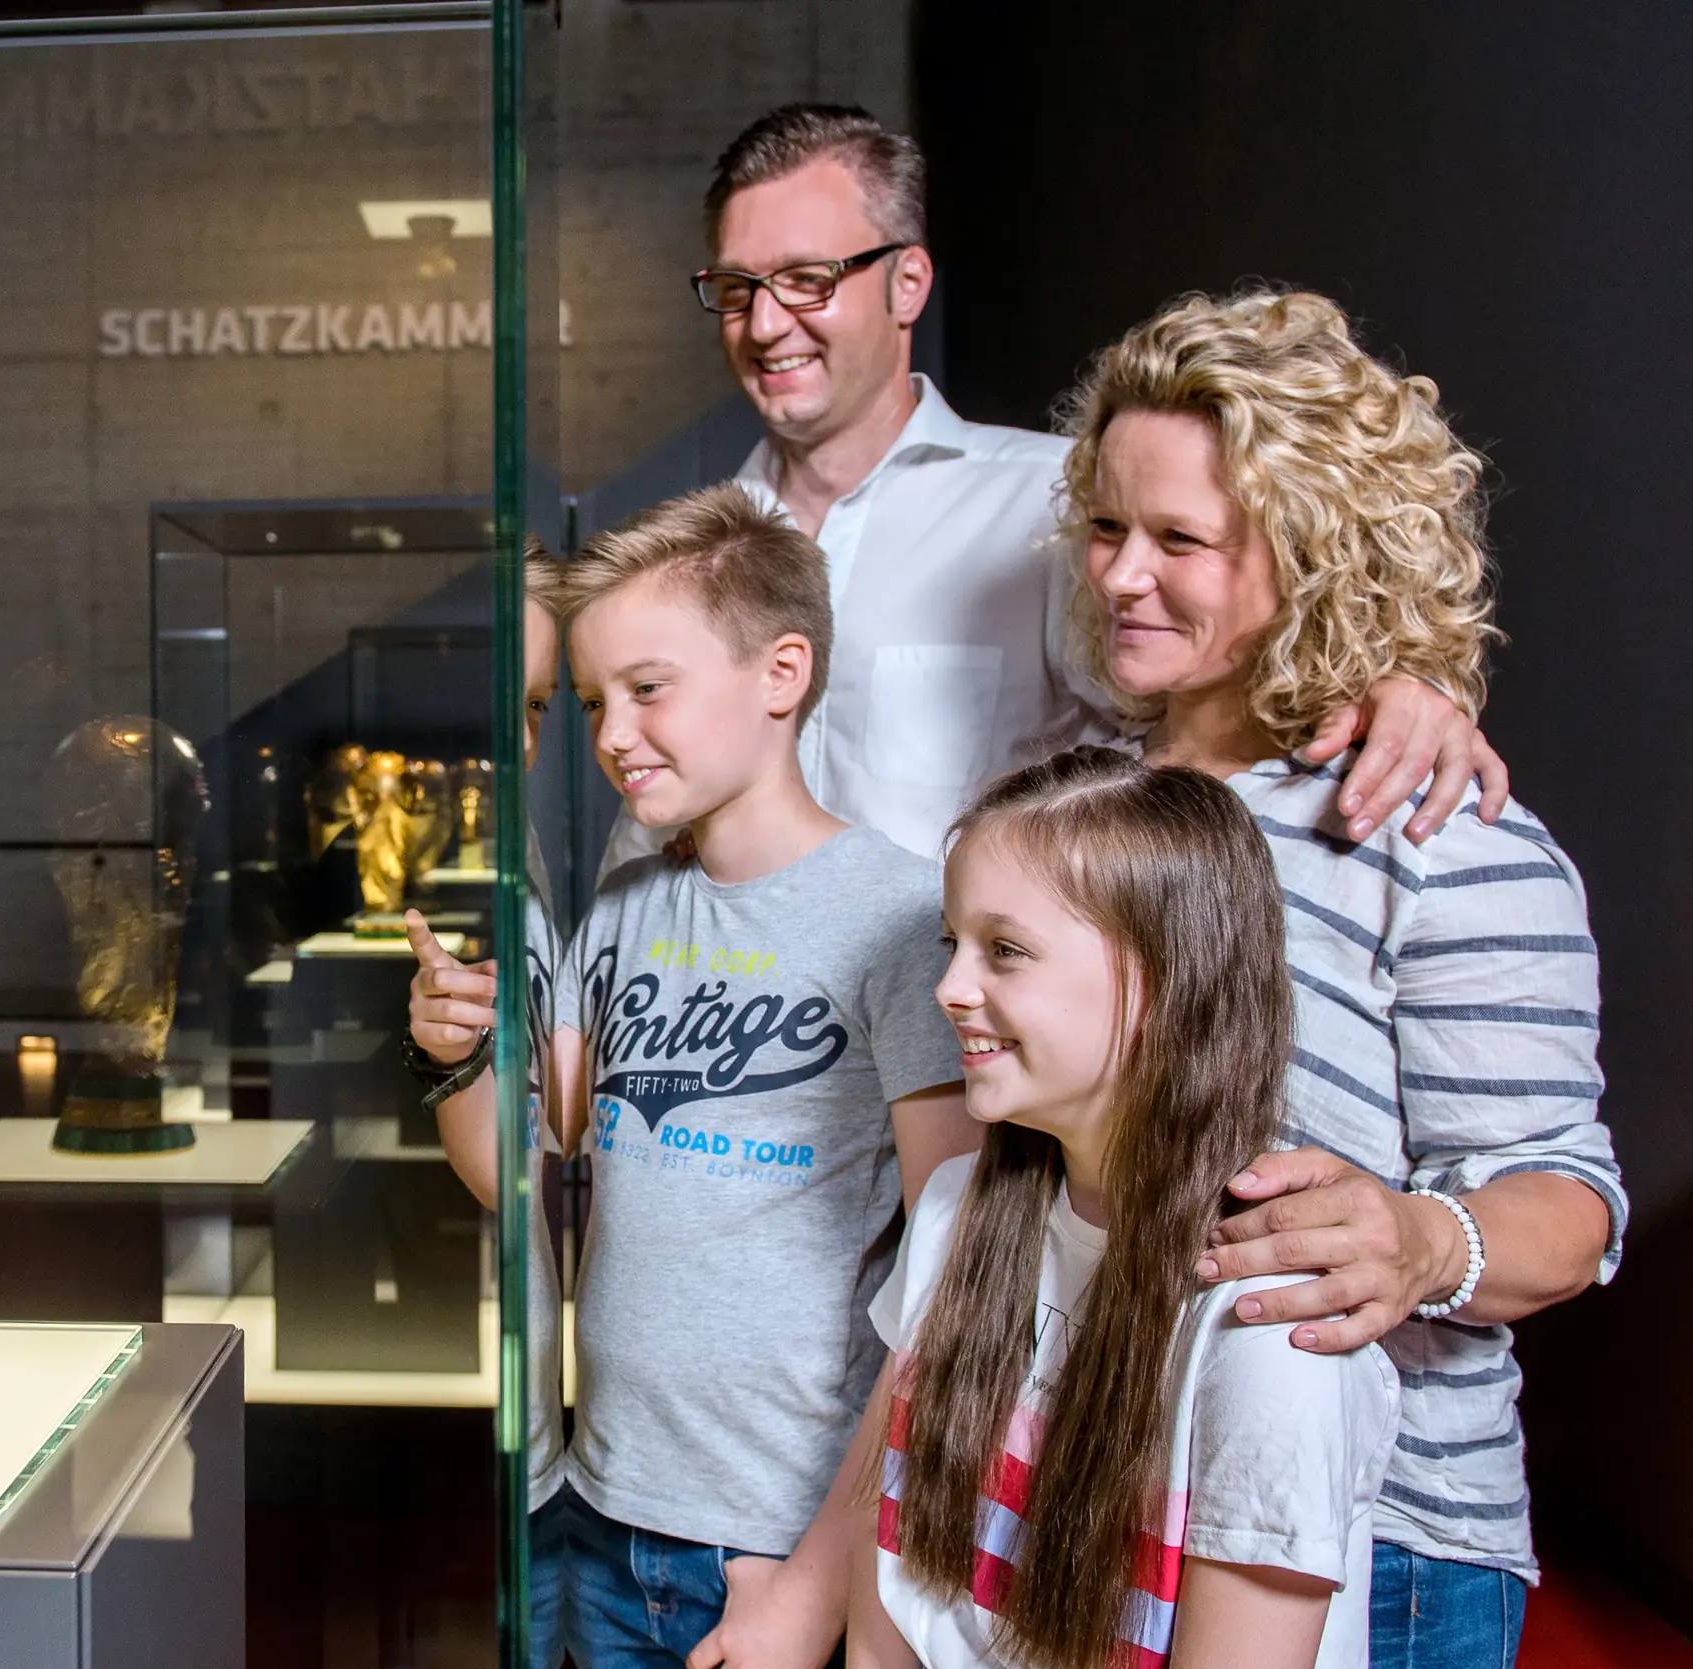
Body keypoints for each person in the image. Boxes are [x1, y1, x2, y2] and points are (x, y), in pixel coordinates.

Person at [1058, 289, 1625, 1668]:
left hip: (1378, 1534)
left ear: (1316, 558)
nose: (1125, 576)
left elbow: (1574, 1203)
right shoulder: (1078, 801)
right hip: (1101, 1496)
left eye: (1182, 541)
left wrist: (1424, 1241)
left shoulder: (1439, 833)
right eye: (1107, 528)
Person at [606, 105, 1498, 872]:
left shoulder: (1063, 509)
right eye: (735, 288)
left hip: (982, 1047)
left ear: (907, 283)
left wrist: (1397, 687)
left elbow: (1225, 709)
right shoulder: (685, 550)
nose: (765, 324)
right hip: (738, 1047)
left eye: (807, 280)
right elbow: (641, 839)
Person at [546, 484, 978, 1669]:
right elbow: (545, 1152)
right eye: (593, 701)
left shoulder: (902, 918)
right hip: (597, 1502)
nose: (610, 735)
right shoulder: (626, 905)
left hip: (764, 1543)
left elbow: (957, 1278)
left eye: (646, 688)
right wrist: (453, 1048)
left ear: (781, 674)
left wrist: (810, 1577)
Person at [852, 747, 1399, 1669]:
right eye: (954, 944)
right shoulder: (953, 1211)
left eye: (1006, 950)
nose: (949, 987)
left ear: (1161, 979)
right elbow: (889, 1612)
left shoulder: (1269, 1330)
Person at [402, 541, 573, 1669]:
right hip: (486, 1395)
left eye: (537, 705)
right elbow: (503, 1160)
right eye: (490, 700)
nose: (512, 738)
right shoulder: (458, 874)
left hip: (560, 1397)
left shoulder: (522, 862)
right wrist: (453, 1049)